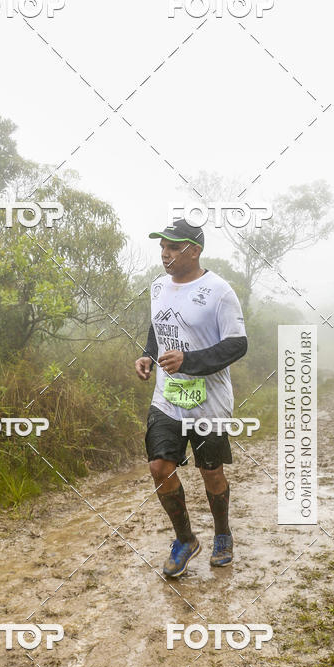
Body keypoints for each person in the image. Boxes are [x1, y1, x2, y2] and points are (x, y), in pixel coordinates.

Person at [135, 218, 248, 577]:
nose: (165, 254)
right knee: (159, 468)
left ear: (194, 250)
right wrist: (148, 356)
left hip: (208, 402)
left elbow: (237, 344)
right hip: (167, 398)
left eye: (173, 247)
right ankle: (185, 539)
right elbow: (160, 327)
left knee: (210, 472)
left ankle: (223, 535)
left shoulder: (219, 291)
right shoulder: (157, 287)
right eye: (162, 247)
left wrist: (190, 360)